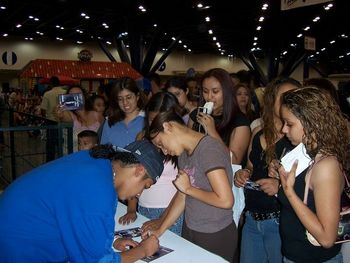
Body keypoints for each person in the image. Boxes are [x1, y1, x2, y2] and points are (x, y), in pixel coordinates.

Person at [0, 140, 164, 263]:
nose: (139, 193)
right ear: (139, 170)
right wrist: (143, 250)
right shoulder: (98, 187)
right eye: (145, 186)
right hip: (20, 250)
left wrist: (112, 241)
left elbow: (71, 214)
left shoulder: (93, 161)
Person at [144, 110, 237, 262]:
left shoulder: (209, 150)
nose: (164, 151)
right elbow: (183, 195)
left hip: (215, 233)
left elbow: (226, 201)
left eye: (161, 144)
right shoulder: (183, 154)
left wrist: (189, 189)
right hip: (191, 228)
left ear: (168, 127)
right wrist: (160, 230)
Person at [273, 87, 349, 262]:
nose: (284, 129)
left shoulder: (326, 165)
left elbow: (327, 238)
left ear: (311, 122)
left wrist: (289, 192)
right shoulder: (305, 153)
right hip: (294, 255)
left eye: (289, 124)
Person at [234, 77, 301, 263]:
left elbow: (309, 187)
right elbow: (250, 166)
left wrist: (279, 185)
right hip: (251, 220)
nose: (292, 102)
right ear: (272, 99)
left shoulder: (298, 140)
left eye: (296, 97)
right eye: (286, 96)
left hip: (280, 222)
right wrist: (243, 174)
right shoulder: (258, 133)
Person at [119, 92, 184, 235]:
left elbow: (184, 190)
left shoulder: (181, 144)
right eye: (151, 120)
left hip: (170, 211)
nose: (155, 126)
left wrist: (163, 218)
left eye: (160, 121)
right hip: (143, 207)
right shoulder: (142, 137)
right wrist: (131, 208)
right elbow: (132, 175)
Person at [188, 68, 251, 166]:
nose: (209, 97)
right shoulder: (196, 115)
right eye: (205, 91)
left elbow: (234, 161)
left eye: (215, 91)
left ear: (227, 92)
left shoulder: (240, 122)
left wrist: (212, 132)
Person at [100, 77, 146, 148]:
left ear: (137, 96)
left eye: (129, 97)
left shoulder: (147, 120)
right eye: (120, 99)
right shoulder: (110, 122)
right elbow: (102, 152)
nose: (125, 103)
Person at [56, 86, 103, 152]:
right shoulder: (69, 114)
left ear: (84, 97)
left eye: (79, 94)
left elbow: (105, 132)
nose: (75, 97)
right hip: (76, 157)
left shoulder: (96, 114)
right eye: (71, 95)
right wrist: (61, 114)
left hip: (96, 156)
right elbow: (64, 118)